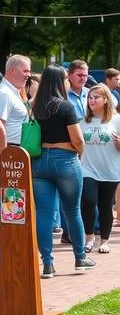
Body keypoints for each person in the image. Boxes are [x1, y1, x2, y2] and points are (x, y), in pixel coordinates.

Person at [31, 65, 94, 278]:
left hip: (39, 162)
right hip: (65, 160)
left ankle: (47, 263)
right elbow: (77, 139)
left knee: (44, 213)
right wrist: (80, 152)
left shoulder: (34, 106)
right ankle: (79, 257)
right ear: (60, 81)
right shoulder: (65, 107)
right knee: (72, 211)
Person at [79, 85, 120, 254]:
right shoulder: (82, 122)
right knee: (88, 201)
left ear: (105, 100)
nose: (91, 100)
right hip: (87, 169)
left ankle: (104, 241)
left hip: (110, 170)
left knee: (105, 206)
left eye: (96, 97)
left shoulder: (116, 120)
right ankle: (89, 238)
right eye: (90, 97)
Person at [0, 54, 32, 147]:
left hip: (15, 148)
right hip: (9, 150)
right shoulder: (4, 93)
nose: (29, 75)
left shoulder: (12, 92)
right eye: (25, 71)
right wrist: (3, 155)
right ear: (12, 70)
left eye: (29, 71)